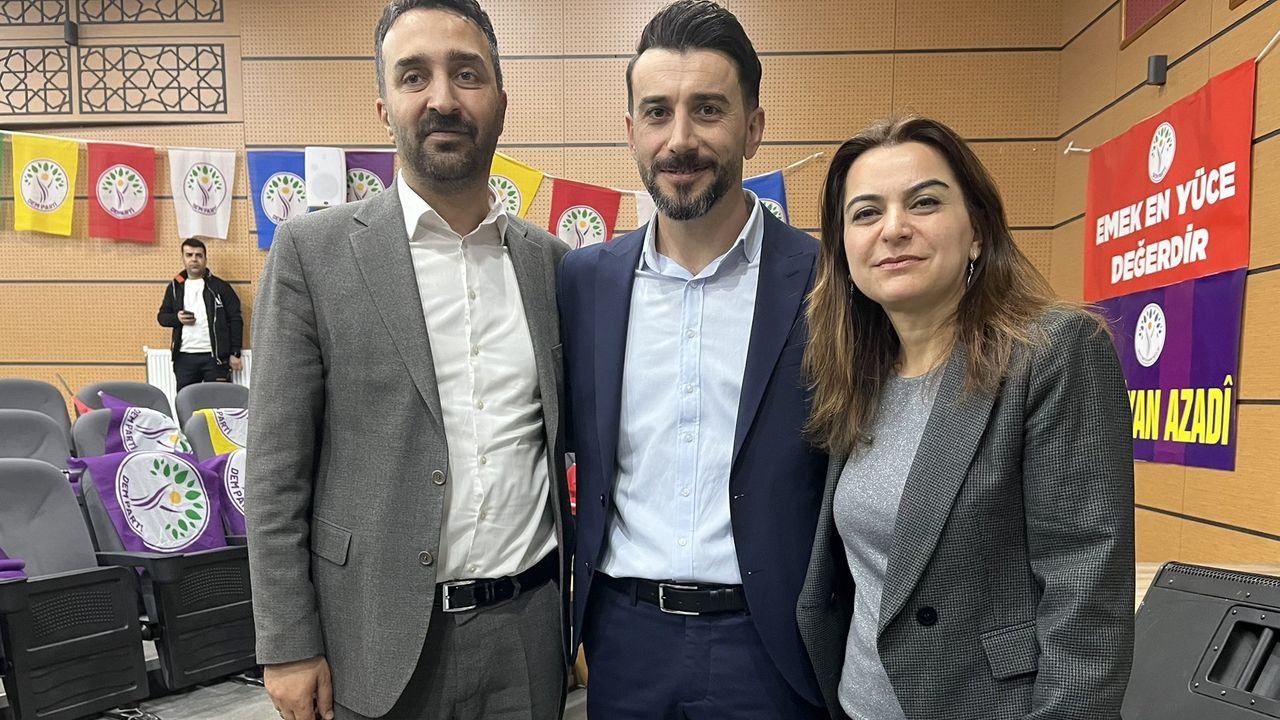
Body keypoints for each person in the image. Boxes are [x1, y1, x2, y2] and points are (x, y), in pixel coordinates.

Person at [245, 2, 571, 719]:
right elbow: (273, 471)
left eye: (467, 74)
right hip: (372, 639)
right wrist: (287, 642)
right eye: (414, 76)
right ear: (384, 107)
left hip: (528, 634)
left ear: (501, 103)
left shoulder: (551, 265)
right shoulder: (312, 255)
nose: (443, 99)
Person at [796, 115, 1134, 720]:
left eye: (924, 203)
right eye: (866, 213)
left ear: (976, 229)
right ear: (843, 250)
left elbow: (1087, 594)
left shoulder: (1052, 351)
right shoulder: (854, 376)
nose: (894, 229)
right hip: (856, 706)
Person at [557, 2, 827, 717]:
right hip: (624, 641)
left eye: (708, 110)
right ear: (631, 132)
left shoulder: (826, 280)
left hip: (771, 646)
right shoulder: (583, 283)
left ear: (753, 128)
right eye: (658, 113)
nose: (680, 140)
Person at [156, 237, 243, 391]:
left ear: (205, 259)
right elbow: (162, 317)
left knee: (219, 401)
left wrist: (235, 353)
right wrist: (177, 318)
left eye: (199, 255)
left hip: (215, 358)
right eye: (189, 255)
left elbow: (235, 319)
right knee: (186, 401)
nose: (194, 259)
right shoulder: (175, 287)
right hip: (184, 357)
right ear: (183, 258)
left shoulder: (220, 287)